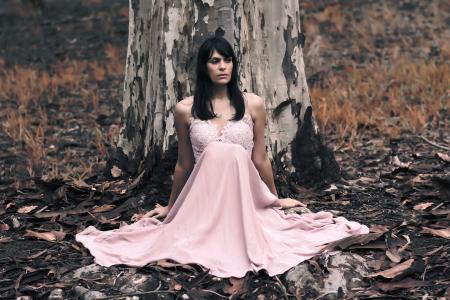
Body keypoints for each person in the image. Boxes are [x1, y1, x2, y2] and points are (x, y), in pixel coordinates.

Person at [75, 36, 369, 278]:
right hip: (204, 201)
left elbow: (260, 159)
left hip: (243, 198)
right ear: (204, 67)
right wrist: (171, 206)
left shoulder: (252, 104)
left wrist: (275, 201)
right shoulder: (185, 109)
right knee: (215, 151)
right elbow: (184, 164)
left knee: (229, 153)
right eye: (215, 61)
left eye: (227, 60)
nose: (223, 66)